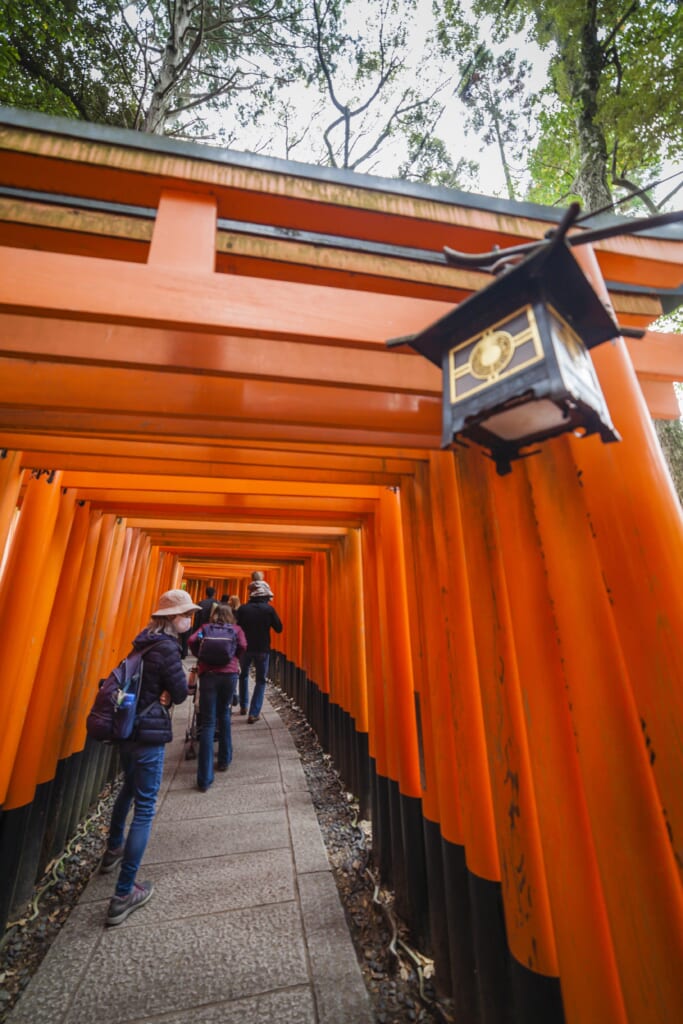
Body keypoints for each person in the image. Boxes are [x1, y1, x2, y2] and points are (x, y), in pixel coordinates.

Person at [99, 588, 197, 926]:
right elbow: (181, 693)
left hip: (126, 729)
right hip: (147, 734)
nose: (189, 620)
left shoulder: (142, 642)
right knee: (145, 806)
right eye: (186, 614)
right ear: (172, 618)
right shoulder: (168, 648)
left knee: (128, 787)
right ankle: (124, 892)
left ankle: (113, 847)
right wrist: (173, 692)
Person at [188, 603, 246, 791]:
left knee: (208, 722)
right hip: (229, 675)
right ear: (231, 616)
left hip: (208, 675)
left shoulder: (205, 628)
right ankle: (224, 760)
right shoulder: (236, 629)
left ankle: (204, 778)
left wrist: (201, 655)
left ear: (213, 615)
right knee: (225, 714)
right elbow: (243, 646)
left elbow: (191, 640)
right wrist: (232, 657)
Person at [235, 579, 283, 722]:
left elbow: (236, 627)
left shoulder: (242, 609)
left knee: (243, 675)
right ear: (265, 596)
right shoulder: (269, 610)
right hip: (262, 648)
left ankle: (243, 705)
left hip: (245, 648)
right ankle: (254, 713)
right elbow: (279, 628)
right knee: (261, 681)